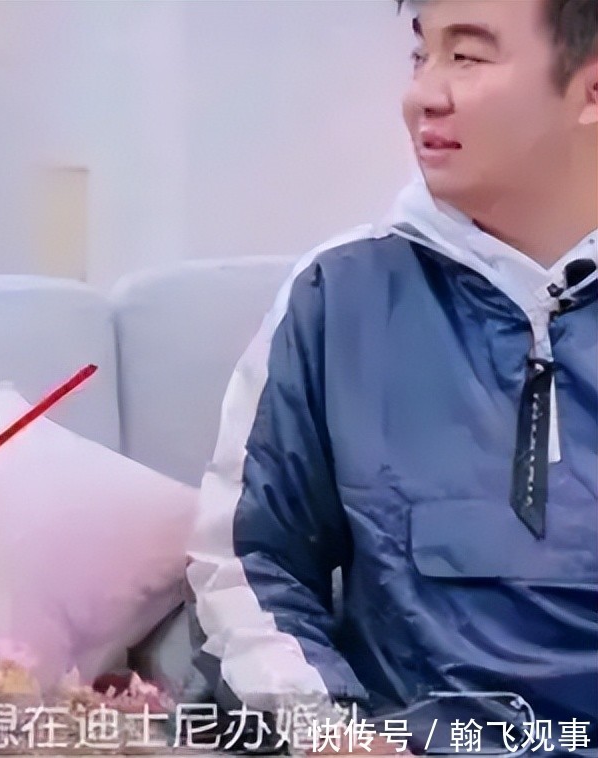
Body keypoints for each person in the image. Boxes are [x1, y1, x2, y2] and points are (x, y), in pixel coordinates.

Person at [186, 0, 597, 753]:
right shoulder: (338, 297)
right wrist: (330, 735)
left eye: (466, 57)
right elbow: (247, 567)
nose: (422, 96)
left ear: (590, 90)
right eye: (420, 56)